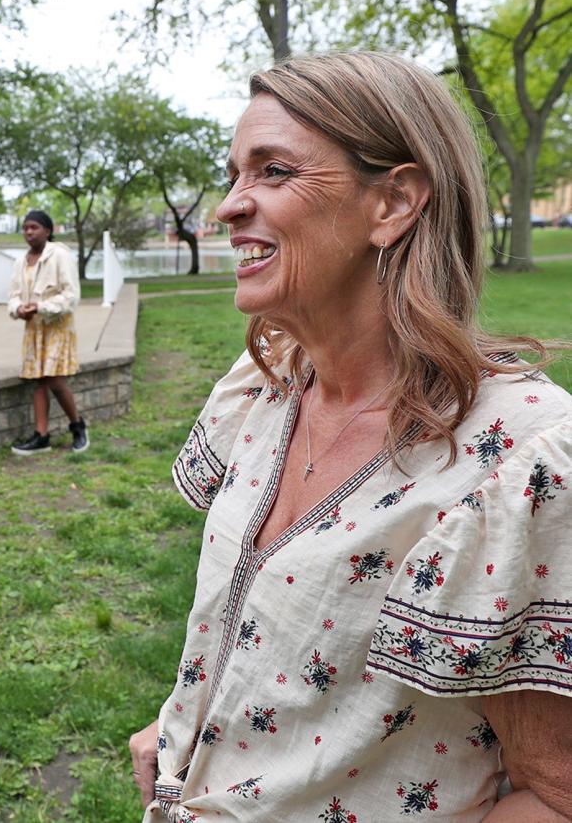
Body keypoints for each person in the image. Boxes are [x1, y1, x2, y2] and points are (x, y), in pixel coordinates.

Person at [128, 52, 572, 822]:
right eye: (235, 174)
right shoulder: (265, 383)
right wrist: (184, 727)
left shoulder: (513, 460)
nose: (231, 205)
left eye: (272, 171)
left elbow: (557, 790)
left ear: (392, 202)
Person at [7, 210, 89, 455]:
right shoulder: (20, 262)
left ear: (47, 230)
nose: (29, 232)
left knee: (54, 378)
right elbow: (12, 296)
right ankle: (41, 436)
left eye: (34, 227)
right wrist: (19, 309)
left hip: (57, 327)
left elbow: (71, 295)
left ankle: (78, 426)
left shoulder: (59, 255)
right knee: (38, 380)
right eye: (25, 228)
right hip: (34, 329)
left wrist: (41, 307)